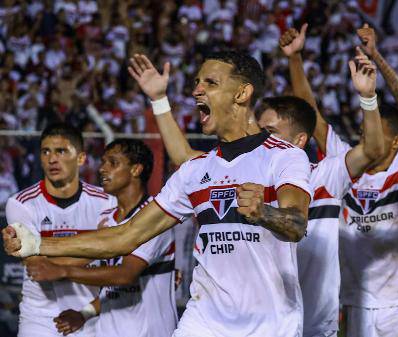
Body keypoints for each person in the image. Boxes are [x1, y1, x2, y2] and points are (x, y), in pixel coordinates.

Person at [4, 51, 312, 337]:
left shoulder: (284, 157)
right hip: (204, 320)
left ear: (242, 94)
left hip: (270, 321)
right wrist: (37, 243)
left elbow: (297, 224)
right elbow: (125, 236)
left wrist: (265, 213)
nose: (196, 91)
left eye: (210, 83)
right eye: (196, 82)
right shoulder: (195, 171)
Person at [135, 31, 384, 337]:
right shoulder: (249, 166)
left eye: (270, 129)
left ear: (299, 139)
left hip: (312, 318)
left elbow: (368, 148)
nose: (258, 134)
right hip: (259, 311)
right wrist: (160, 101)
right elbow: (186, 160)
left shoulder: (325, 174)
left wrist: (367, 97)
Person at [294, 23, 398, 337]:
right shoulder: (346, 161)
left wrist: (375, 57)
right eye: (366, 129)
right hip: (355, 305)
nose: (366, 134)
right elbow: (310, 115)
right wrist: (295, 58)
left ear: (396, 142)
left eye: (377, 131)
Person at [24, 139, 178, 337]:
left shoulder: (155, 217)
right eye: (103, 162)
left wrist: (62, 270)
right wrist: (84, 314)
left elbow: (124, 275)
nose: (102, 169)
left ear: (136, 170)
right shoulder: (107, 217)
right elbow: (108, 284)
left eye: (112, 163)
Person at [4, 123, 115, 337]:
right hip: (38, 318)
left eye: (61, 151)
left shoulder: (106, 201)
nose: (52, 159)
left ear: (81, 158)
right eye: (46, 151)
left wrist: (108, 246)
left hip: (87, 315)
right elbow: (38, 268)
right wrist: (102, 244)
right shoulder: (20, 204)